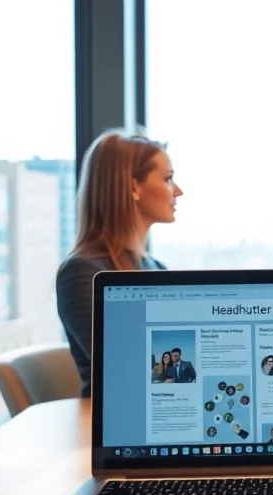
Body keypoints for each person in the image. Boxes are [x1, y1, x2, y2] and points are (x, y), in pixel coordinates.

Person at [56, 129, 184, 398]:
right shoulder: (82, 272)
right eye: (168, 178)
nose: (178, 191)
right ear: (134, 186)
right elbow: (126, 368)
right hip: (119, 416)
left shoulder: (156, 268)